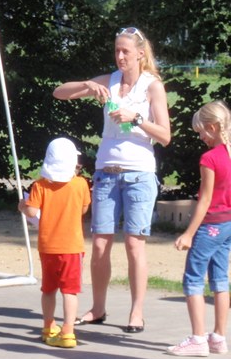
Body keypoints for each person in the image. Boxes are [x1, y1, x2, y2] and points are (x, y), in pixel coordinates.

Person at [53, 26, 171, 333]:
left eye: (125, 51)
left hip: (139, 174)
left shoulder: (152, 86)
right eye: (117, 50)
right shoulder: (110, 81)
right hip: (106, 172)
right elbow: (59, 93)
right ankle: (98, 307)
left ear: (140, 54)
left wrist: (137, 118)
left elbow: (165, 135)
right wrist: (87, 85)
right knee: (100, 244)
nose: (120, 56)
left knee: (134, 245)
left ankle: (136, 312)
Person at [168, 100, 231, 357]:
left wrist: (188, 233)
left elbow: (205, 200)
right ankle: (218, 337)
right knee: (220, 278)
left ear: (213, 127)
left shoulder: (210, 158)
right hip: (228, 225)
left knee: (193, 278)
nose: (200, 137)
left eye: (201, 131)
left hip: (211, 225)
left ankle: (198, 339)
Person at [19, 138, 91, 348]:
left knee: (49, 289)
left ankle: (48, 326)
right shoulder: (81, 184)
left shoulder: (40, 185)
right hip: (72, 247)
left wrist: (23, 205)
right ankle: (68, 331)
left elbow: (31, 212)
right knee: (70, 291)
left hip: (48, 246)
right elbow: (84, 209)